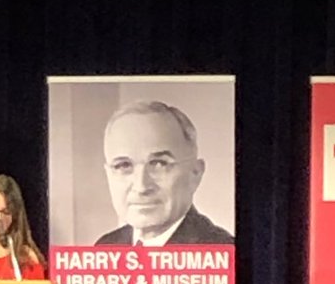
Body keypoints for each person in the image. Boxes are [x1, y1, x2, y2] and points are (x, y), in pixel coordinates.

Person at [95, 100, 233, 245]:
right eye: (123, 165)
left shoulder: (224, 250)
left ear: (195, 173)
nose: (141, 187)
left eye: (159, 164)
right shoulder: (106, 246)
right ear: (108, 175)